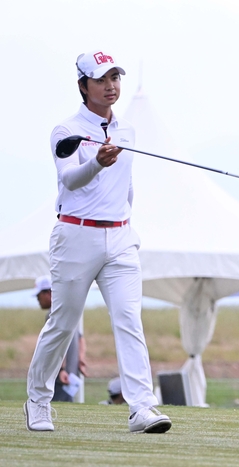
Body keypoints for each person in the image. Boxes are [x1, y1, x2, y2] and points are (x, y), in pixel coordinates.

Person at [24, 49, 171, 434]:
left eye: (115, 78)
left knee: (128, 318)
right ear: (83, 86)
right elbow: (69, 179)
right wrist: (96, 163)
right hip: (76, 234)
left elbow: (128, 185)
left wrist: (124, 218)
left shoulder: (127, 131)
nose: (111, 86)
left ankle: (141, 407)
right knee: (64, 322)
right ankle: (39, 400)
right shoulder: (65, 129)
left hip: (120, 236)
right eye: (102, 79)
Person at [33, 275, 87, 403]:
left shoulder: (53, 314)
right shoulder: (67, 311)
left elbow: (58, 343)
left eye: (38, 295)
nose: (37, 299)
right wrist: (81, 360)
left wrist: (61, 370)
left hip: (61, 376)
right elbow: (80, 339)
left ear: (48, 293)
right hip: (71, 374)